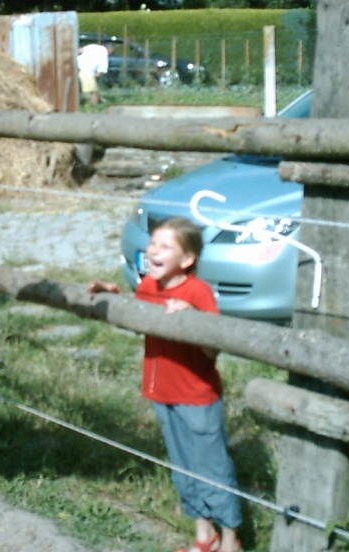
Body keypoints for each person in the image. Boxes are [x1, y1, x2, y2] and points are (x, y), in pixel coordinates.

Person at [88, 217, 242, 552]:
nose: (153, 250)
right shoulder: (148, 286)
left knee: (212, 468)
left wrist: (191, 318)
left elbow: (214, 346)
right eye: (153, 243)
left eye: (165, 246)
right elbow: (136, 310)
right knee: (184, 469)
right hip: (162, 393)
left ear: (187, 260)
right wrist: (112, 296)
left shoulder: (196, 291)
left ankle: (231, 540)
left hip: (197, 397)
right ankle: (205, 538)